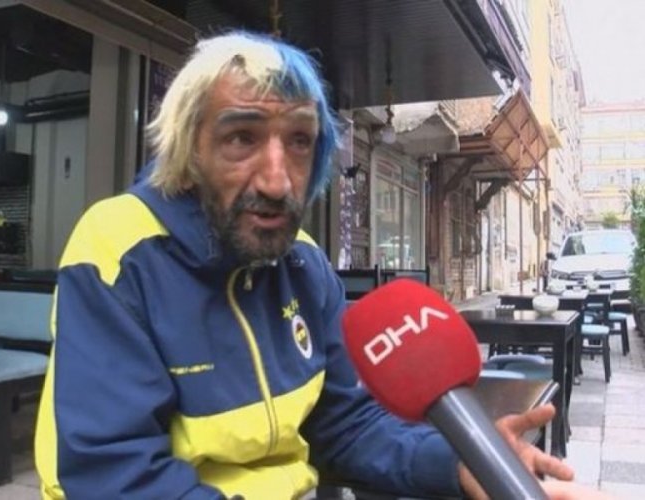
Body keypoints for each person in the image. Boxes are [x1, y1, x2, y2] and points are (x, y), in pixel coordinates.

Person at [34, 31, 611, 499]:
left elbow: (346, 427)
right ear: (189, 152)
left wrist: (458, 465)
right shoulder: (118, 248)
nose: (277, 180)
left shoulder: (305, 264)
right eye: (242, 138)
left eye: (300, 142)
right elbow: (114, 476)